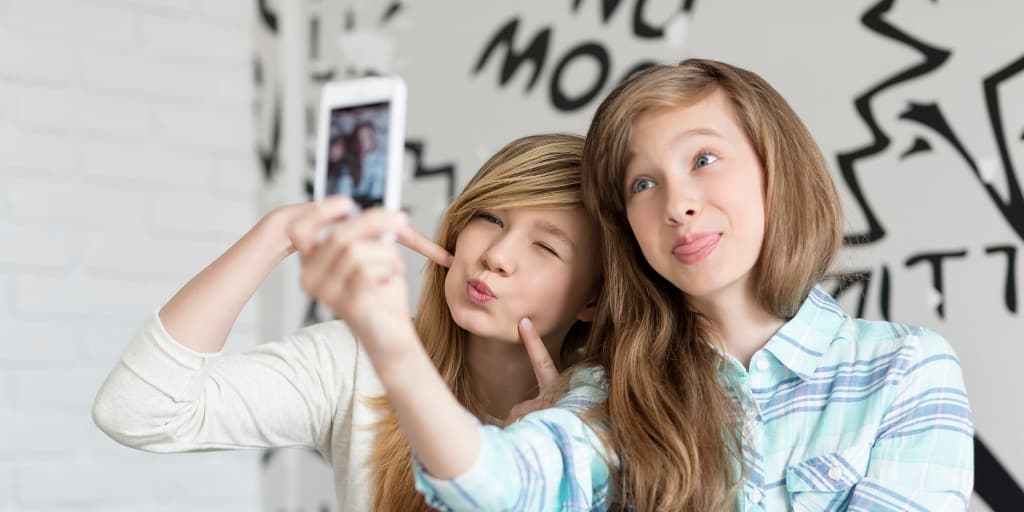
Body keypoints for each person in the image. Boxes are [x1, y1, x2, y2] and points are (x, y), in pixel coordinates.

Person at [389, 59, 973, 511]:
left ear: (777, 169)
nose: (678, 205)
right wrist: (384, 331)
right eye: (643, 184)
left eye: (704, 159)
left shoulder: (904, 368)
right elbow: (494, 485)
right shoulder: (611, 391)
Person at [91, 133, 603, 511]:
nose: (496, 255)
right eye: (490, 218)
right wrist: (280, 232)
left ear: (592, 300)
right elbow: (138, 412)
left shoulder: (603, 415)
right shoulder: (355, 363)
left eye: (545, 246)